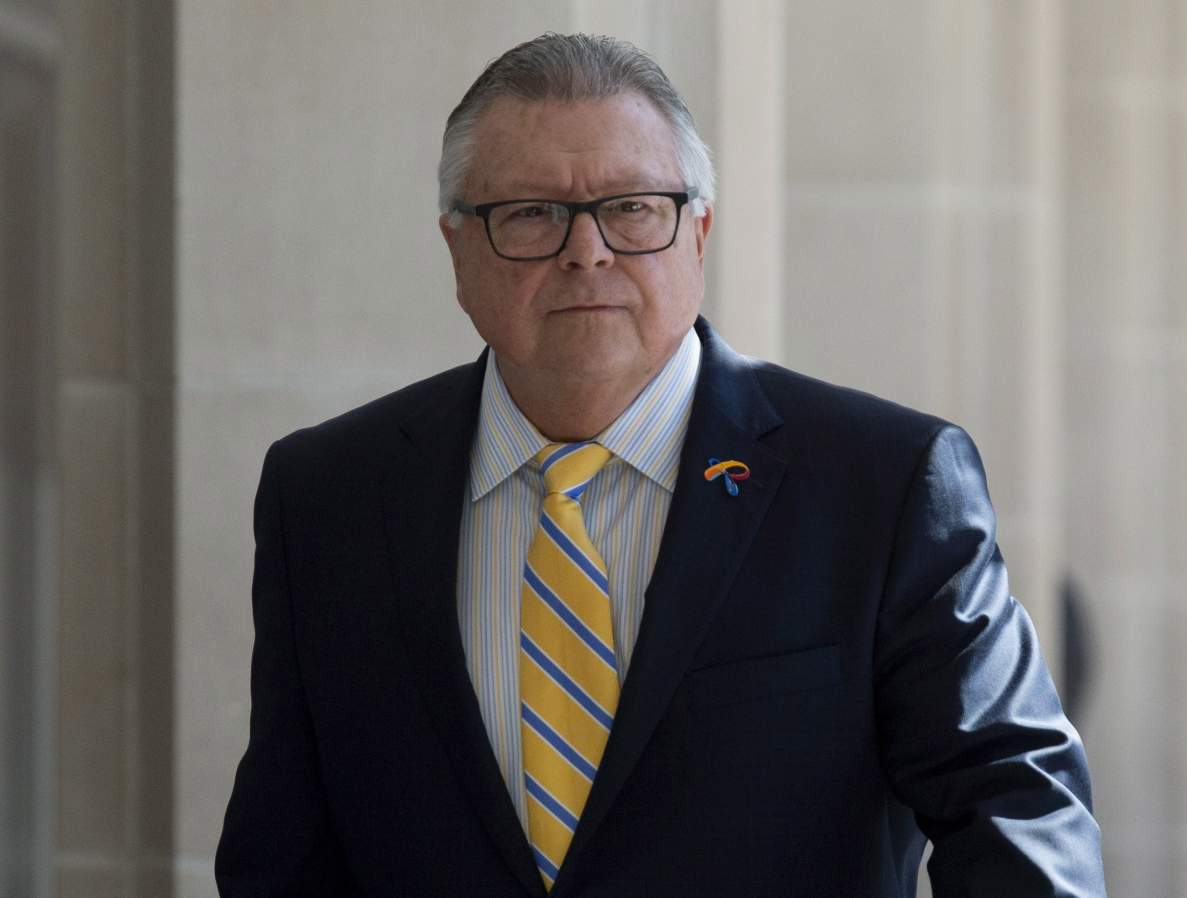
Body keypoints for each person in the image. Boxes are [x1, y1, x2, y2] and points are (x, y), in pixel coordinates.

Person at [216, 33, 1106, 898]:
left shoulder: (883, 483)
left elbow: (1015, 800)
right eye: (531, 213)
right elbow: (285, 858)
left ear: (700, 233)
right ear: (457, 248)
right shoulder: (327, 496)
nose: (587, 250)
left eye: (632, 208)